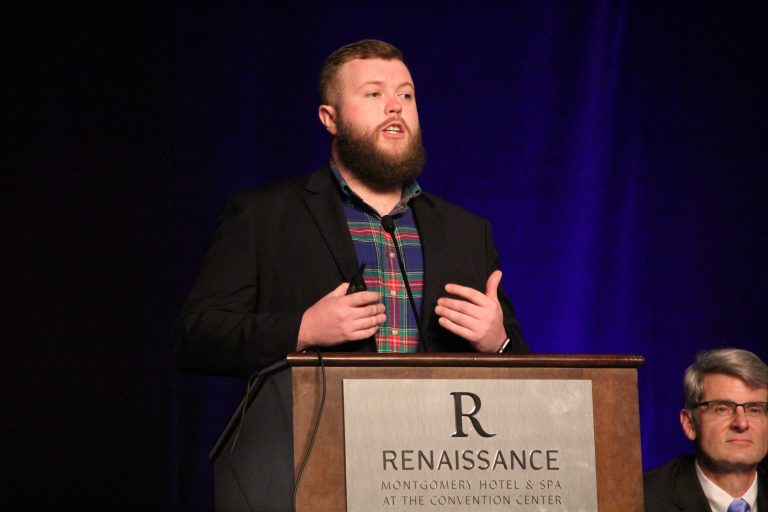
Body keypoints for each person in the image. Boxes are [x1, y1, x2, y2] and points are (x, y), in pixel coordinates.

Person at [173, 39, 528, 377]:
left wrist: (498, 342)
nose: (395, 106)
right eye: (374, 93)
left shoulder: (467, 231)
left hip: (436, 423)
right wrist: (303, 329)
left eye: (406, 94)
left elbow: (528, 368)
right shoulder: (261, 217)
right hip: (318, 422)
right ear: (330, 118)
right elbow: (195, 338)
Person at [644, 348, 768, 512]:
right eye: (722, 409)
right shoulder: (643, 499)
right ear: (690, 424)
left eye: (755, 410)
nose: (741, 423)